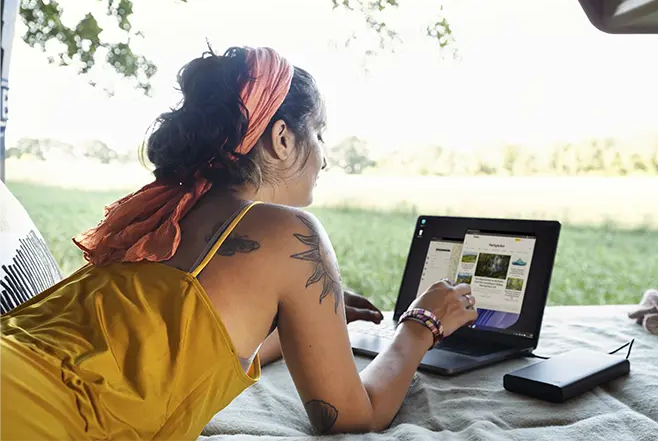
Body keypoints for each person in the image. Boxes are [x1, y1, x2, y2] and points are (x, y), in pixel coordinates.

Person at [0, 46, 478, 440]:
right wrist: (420, 326)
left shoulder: (160, 220)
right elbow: (353, 418)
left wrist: (300, 323)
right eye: (320, 134)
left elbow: (180, 346)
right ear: (282, 138)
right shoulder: (290, 231)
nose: (326, 158)